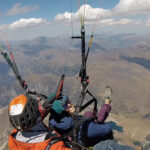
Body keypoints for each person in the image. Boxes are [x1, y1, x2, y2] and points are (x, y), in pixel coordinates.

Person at [8, 94, 73, 150]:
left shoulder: (13, 140)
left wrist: (43, 109)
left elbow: (28, 122)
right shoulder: (54, 147)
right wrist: (74, 112)